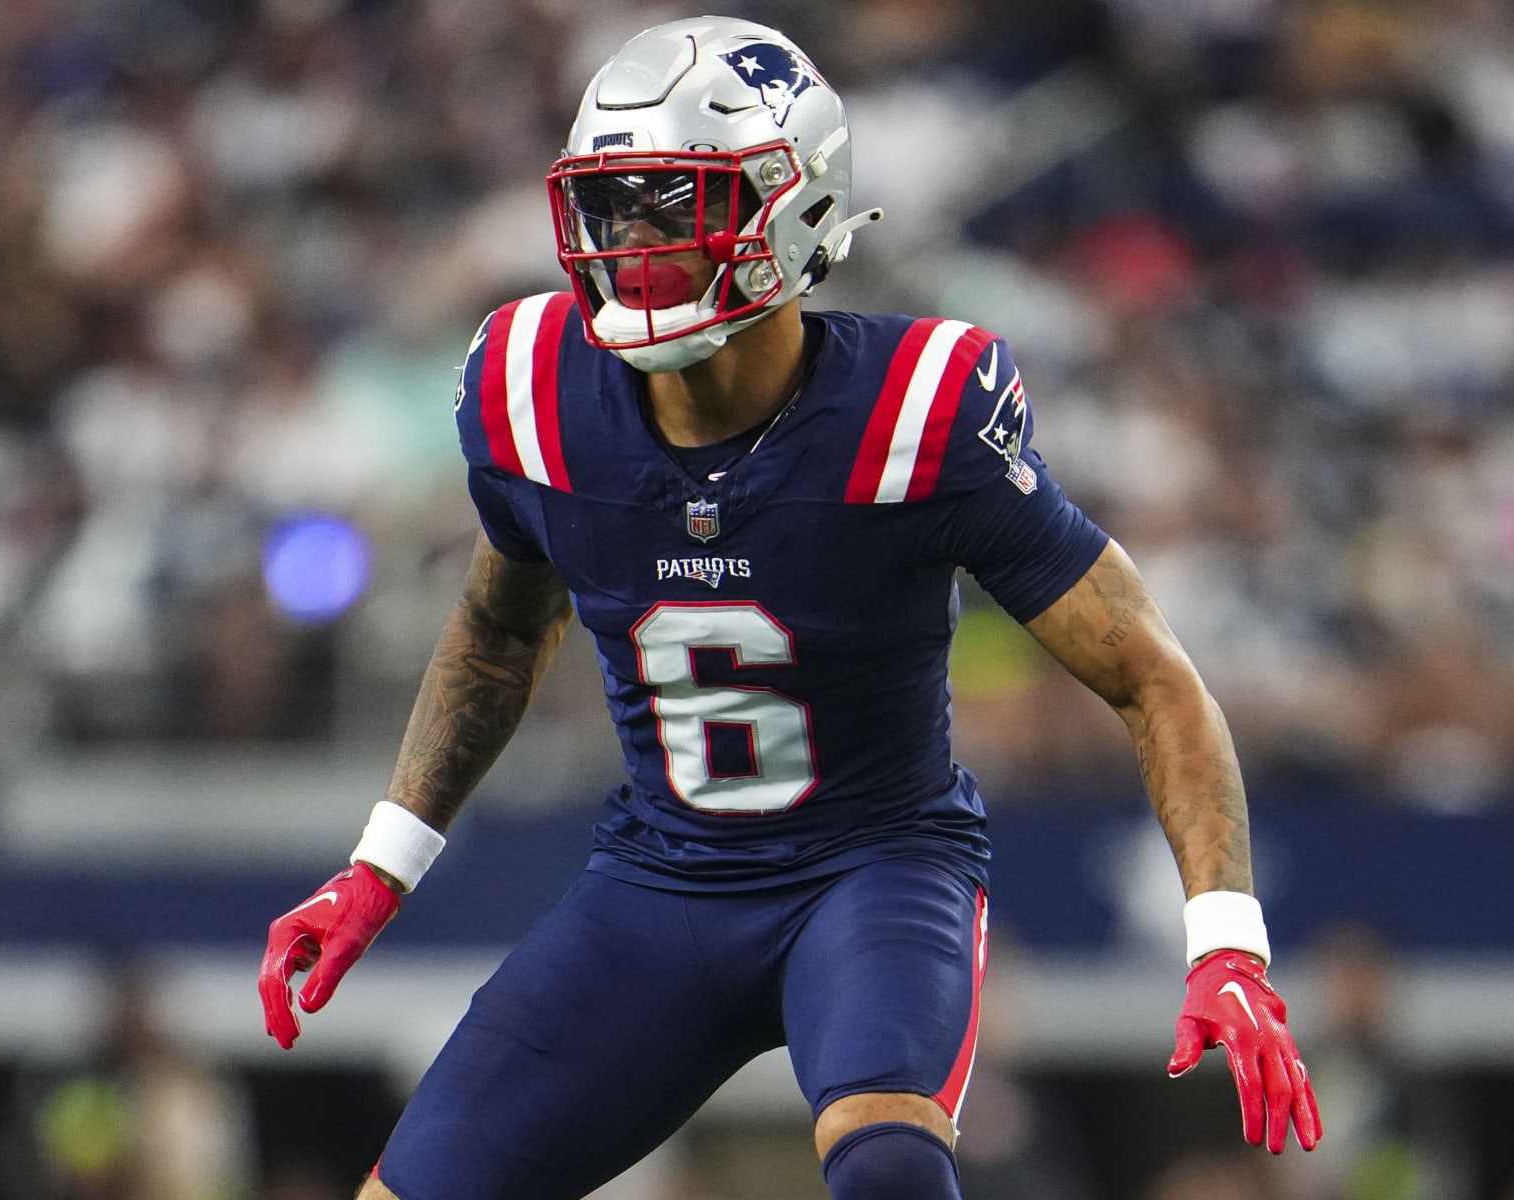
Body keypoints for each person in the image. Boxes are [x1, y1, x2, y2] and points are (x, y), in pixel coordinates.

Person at [257, 16, 1322, 1199]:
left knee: (889, 1172)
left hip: (872, 873)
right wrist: (380, 863)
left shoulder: (921, 413)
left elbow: (1150, 674)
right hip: (657, 883)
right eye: (618, 207)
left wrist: (1227, 937)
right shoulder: (530, 386)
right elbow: (503, 626)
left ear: (797, 209)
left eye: (680, 204)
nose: (638, 244)